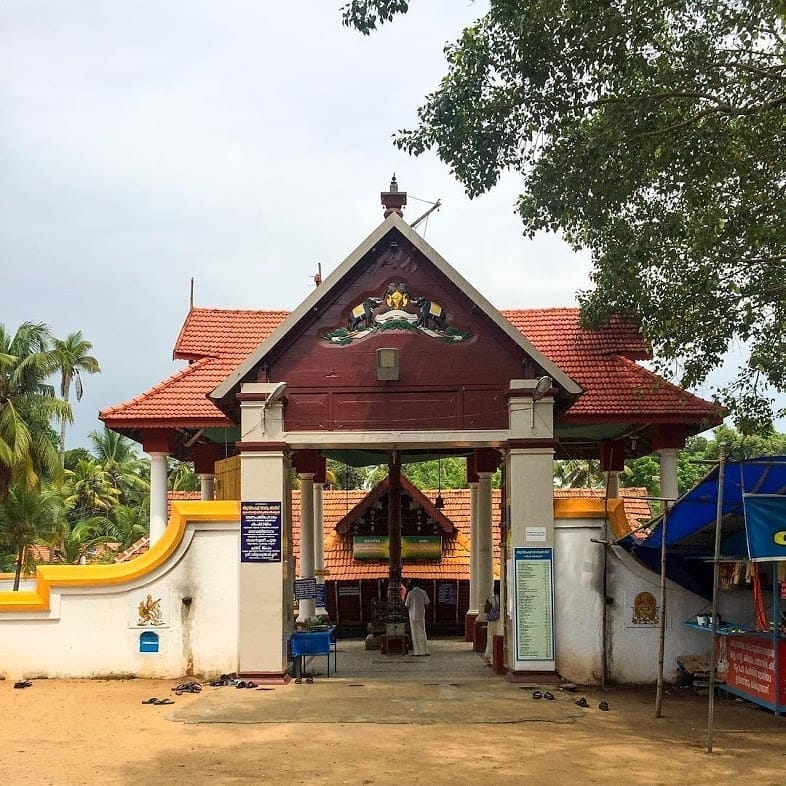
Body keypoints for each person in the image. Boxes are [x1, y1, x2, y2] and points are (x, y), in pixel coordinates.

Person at [404, 579, 430, 656]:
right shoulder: (423, 592)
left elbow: (406, 605)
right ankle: (425, 651)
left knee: (415, 633)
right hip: (421, 615)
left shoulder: (410, 593)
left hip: (412, 615)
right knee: (422, 631)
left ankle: (417, 652)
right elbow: (427, 603)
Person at [483, 580, 501, 666]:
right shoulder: (505, 598)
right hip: (501, 621)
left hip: (492, 622)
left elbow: (486, 610)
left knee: (490, 639)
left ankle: (489, 657)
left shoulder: (491, 598)